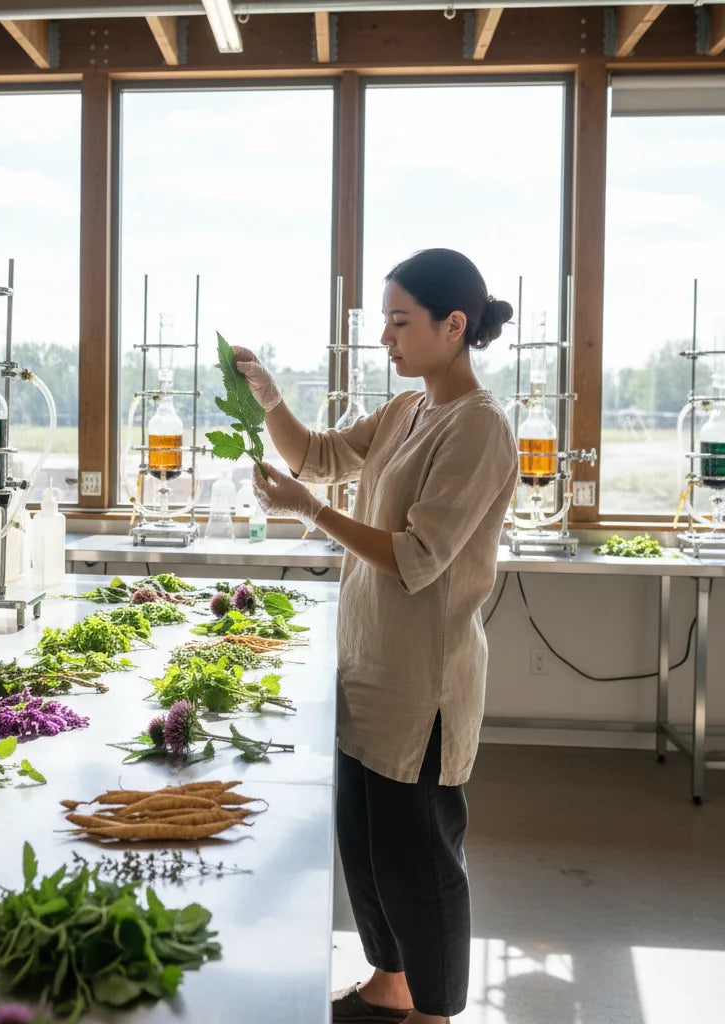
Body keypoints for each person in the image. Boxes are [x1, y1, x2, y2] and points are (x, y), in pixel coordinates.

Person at [236, 248, 518, 1024]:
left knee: (420, 860)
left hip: (422, 682)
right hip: (367, 664)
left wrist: (310, 512)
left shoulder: (479, 428)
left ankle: (434, 1011)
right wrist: (269, 401)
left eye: (400, 323)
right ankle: (389, 984)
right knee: (364, 849)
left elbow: (420, 558)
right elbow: (319, 458)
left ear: (452, 325)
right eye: (383, 324)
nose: (385, 340)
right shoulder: (408, 410)